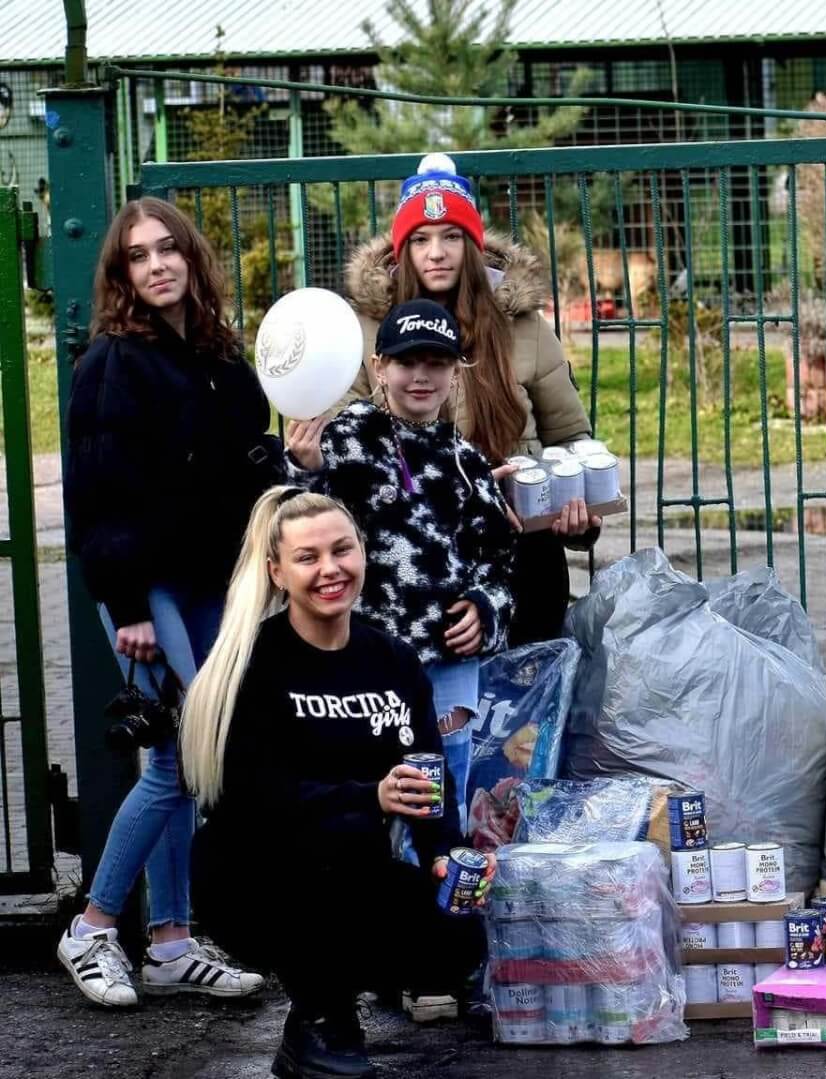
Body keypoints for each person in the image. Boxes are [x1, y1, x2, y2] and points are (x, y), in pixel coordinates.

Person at [180, 488, 490, 1078]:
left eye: (342, 550)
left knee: (455, 933)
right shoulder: (253, 664)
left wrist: (449, 858)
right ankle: (325, 1020)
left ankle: (315, 1022)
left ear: (363, 554)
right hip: (254, 873)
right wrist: (368, 796)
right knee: (315, 882)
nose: (330, 570)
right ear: (276, 571)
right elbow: (254, 800)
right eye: (308, 557)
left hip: (350, 865)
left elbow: (429, 781)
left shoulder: (394, 661)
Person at [58, 197, 276, 1007]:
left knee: (188, 762)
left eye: (169, 249)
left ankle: (173, 941)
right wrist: (130, 606)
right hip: (145, 587)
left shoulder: (218, 353)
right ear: (121, 273)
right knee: (179, 760)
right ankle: (92, 926)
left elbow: (247, 465)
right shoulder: (113, 360)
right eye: (138, 255)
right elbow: (96, 494)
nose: (157, 265)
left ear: (191, 258)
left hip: (212, 582)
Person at [342, 153, 600, 647]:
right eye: (420, 239)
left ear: (474, 245)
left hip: (524, 548)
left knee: (525, 716)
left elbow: (571, 441)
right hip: (412, 558)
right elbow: (347, 454)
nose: (436, 252)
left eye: (451, 236)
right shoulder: (365, 335)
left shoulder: (524, 329)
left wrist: (574, 511)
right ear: (402, 251)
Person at [286, 299, 518, 734]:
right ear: (379, 367)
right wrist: (305, 470)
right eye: (406, 362)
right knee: (366, 783)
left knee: (443, 782)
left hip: (449, 659)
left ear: (456, 372)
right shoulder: (346, 439)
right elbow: (298, 529)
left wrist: (487, 611)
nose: (421, 376)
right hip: (360, 653)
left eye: (436, 363)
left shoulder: (468, 461)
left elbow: (498, 561)